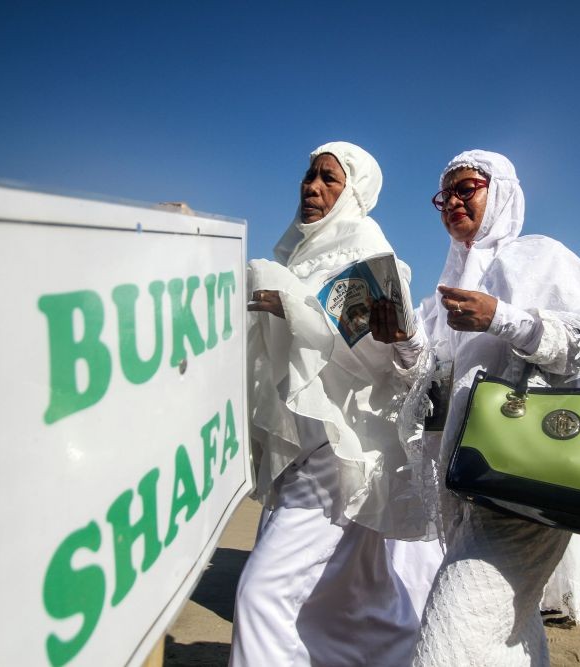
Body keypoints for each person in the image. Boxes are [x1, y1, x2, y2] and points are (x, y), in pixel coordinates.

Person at [411, 150, 580, 666]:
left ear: (502, 192)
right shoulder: (449, 286)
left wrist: (505, 319)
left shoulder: (540, 257)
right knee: (507, 629)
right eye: (446, 195)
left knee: (448, 641)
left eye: (469, 189)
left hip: (526, 477)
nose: (454, 202)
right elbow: (428, 377)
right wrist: (403, 342)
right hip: (467, 480)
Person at [231, 141, 441, 666]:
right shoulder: (295, 253)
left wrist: (285, 302)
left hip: (341, 446)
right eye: (309, 175)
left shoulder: (368, 255)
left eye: (329, 179)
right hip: (305, 439)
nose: (312, 187)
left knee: (263, 594)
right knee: (353, 598)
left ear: (355, 192)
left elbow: (357, 351)